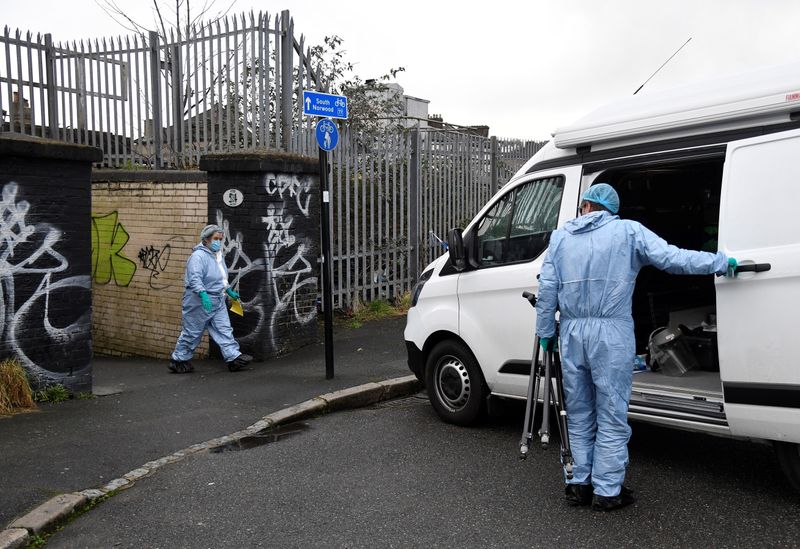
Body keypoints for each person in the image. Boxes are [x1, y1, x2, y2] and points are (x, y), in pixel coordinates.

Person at [535, 183, 737, 512]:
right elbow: (674, 259)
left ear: (586, 205)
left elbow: (547, 289)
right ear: (611, 210)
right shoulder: (628, 232)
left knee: (579, 412)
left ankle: (577, 483)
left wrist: (546, 331)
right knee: (611, 412)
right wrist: (720, 262)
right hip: (611, 333)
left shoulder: (560, 238)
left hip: (571, 333)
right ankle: (607, 490)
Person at [169, 224, 252, 373]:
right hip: (198, 301)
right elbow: (195, 278)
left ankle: (233, 357)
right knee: (192, 331)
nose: (218, 242)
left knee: (224, 329)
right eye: (215, 239)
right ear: (206, 239)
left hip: (217, 299)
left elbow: (221, 277)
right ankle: (179, 359)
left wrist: (229, 291)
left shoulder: (217, 255)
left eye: (220, 239)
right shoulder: (198, 257)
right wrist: (203, 294)